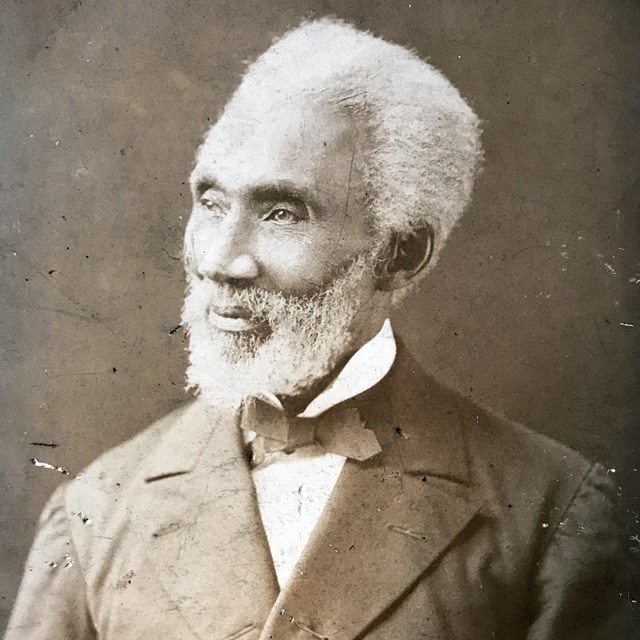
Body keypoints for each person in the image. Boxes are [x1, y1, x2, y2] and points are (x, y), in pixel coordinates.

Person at [5, 18, 635, 640]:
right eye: (212, 202)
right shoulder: (97, 511)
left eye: (281, 213)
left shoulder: (550, 513)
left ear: (399, 254)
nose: (221, 260)